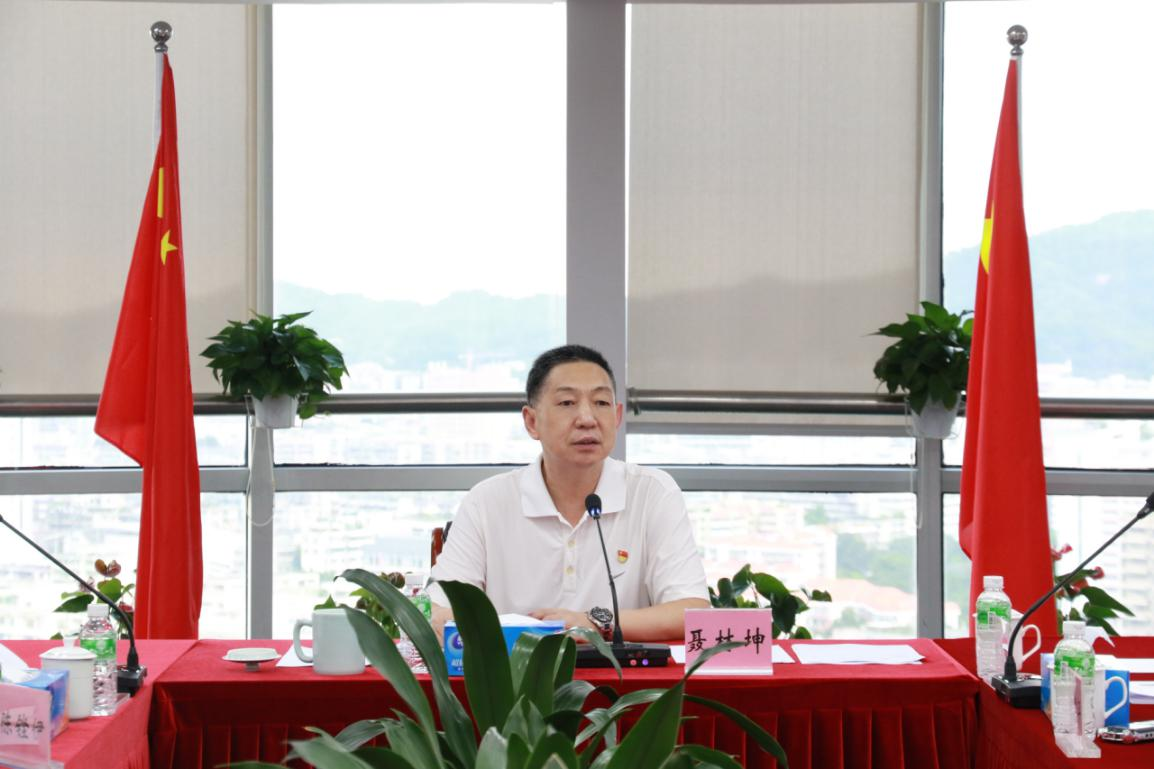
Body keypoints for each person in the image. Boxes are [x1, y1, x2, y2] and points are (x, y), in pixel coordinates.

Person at [428, 344, 710, 641]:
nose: (587, 418)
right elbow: (438, 609)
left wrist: (592, 623)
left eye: (601, 402)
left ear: (617, 417)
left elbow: (690, 611)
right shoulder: (487, 501)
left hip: (619, 671)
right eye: (567, 403)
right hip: (515, 670)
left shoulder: (652, 492)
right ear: (532, 422)